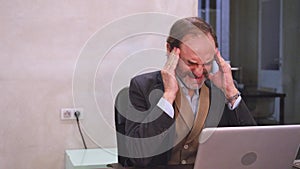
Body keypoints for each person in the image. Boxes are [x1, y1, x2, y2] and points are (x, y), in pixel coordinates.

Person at [116, 17, 256, 168]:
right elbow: (138, 157)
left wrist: (231, 93)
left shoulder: (221, 90)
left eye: (207, 63)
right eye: (191, 63)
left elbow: (253, 149)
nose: (199, 72)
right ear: (170, 50)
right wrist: (168, 96)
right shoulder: (143, 87)